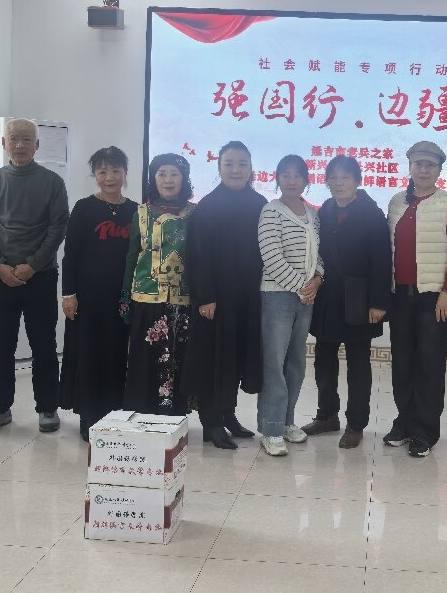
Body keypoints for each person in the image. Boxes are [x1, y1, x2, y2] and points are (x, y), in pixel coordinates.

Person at [0, 118, 69, 436]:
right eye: (13, 138)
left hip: (40, 276)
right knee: (1, 346)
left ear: (37, 145)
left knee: (44, 344)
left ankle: (47, 408)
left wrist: (32, 265)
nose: (19, 144)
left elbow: (58, 227)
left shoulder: (52, 182)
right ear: (4, 144)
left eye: (27, 139)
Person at [384, 141, 447, 458]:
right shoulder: (396, 202)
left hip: (435, 298)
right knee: (403, 363)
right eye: (418, 164)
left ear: (439, 170)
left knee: (429, 365)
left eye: (430, 165)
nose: (423, 169)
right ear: (410, 167)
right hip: (401, 297)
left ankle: (424, 431)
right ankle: (404, 423)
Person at [304, 156, 392, 449]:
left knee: (358, 366)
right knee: (323, 361)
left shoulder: (371, 213)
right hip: (328, 298)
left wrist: (378, 302)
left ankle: (356, 424)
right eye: (333, 177)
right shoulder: (325, 210)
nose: (339, 183)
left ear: (357, 180)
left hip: (359, 298)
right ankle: (327, 415)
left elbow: (382, 259)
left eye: (345, 177)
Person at [184, 141, 267, 449]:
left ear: (251, 168)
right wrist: (205, 296)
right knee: (214, 359)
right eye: (229, 164)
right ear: (219, 168)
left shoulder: (260, 203)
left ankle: (228, 414)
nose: (236, 170)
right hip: (215, 299)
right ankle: (211, 422)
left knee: (236, 358)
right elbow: (198, 256)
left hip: (248, 297)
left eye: (242, 164)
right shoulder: (207, 206)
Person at [59, 147, 137, 440]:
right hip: (89, 298)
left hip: (124, 298)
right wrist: (69, 294)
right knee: (89, 353)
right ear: (95, 175)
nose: (110, 177)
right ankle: (88, 415)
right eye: (103, 171)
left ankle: (116, 412)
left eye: (116, 170)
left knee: (118, 353)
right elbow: (71, 254)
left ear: (125, 173)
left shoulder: (136, 210)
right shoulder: (84, 208)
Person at [255, 155, 324, 456]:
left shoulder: (313, 214)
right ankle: (270, 428)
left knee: (295, 362)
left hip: (306, 297)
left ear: (306, 180)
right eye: (286, 175)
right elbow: (271, 256)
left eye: (297, 175)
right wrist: (301, 287)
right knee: (274, 363)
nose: (292, 180)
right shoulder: (271, 211)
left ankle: (287, 421)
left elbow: (319, 255)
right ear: (278, 179)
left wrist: (317, 279)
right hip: (277, 296)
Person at [121, 154, 194, 416]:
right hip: (147, 298)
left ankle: (173, 418)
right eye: (162, 173)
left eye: (174, 174)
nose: (168, 180)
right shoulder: (141, 213)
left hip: (183, 301)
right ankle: (141, 416)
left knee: (178, 359)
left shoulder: (194, 213)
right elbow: (132, 257)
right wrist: (125, 298)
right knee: (145, 361)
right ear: (154, 178)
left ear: (184, 179)